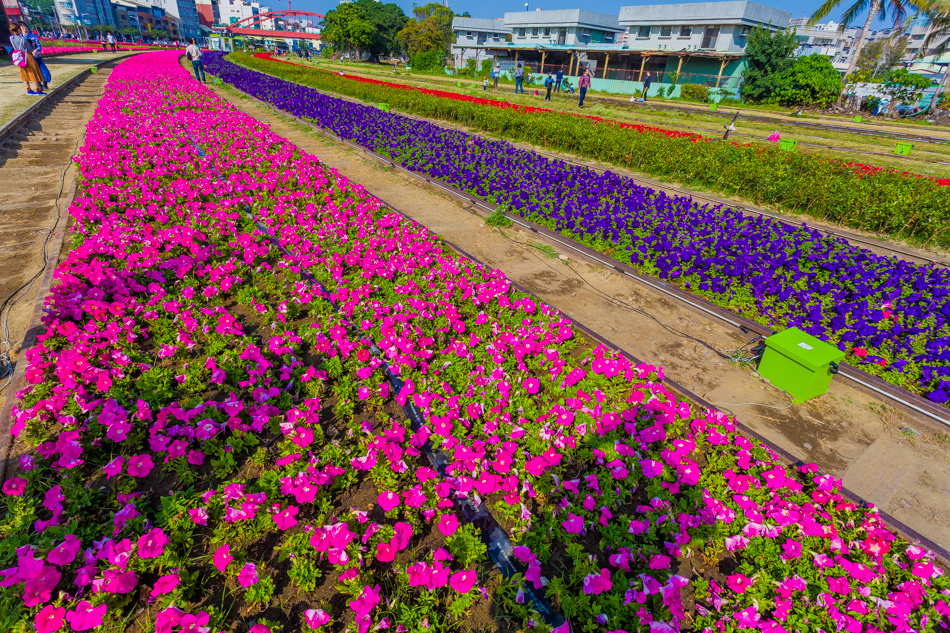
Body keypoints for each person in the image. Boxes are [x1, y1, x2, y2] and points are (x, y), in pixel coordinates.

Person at [10, 24, 46, 96]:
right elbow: (29, 48)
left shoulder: (11, 38)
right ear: (18, 29)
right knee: (33, 72)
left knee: (24, 73)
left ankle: (28, 90)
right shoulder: (22, 38)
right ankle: (37, 90)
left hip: (20, 57)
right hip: (27, 56)